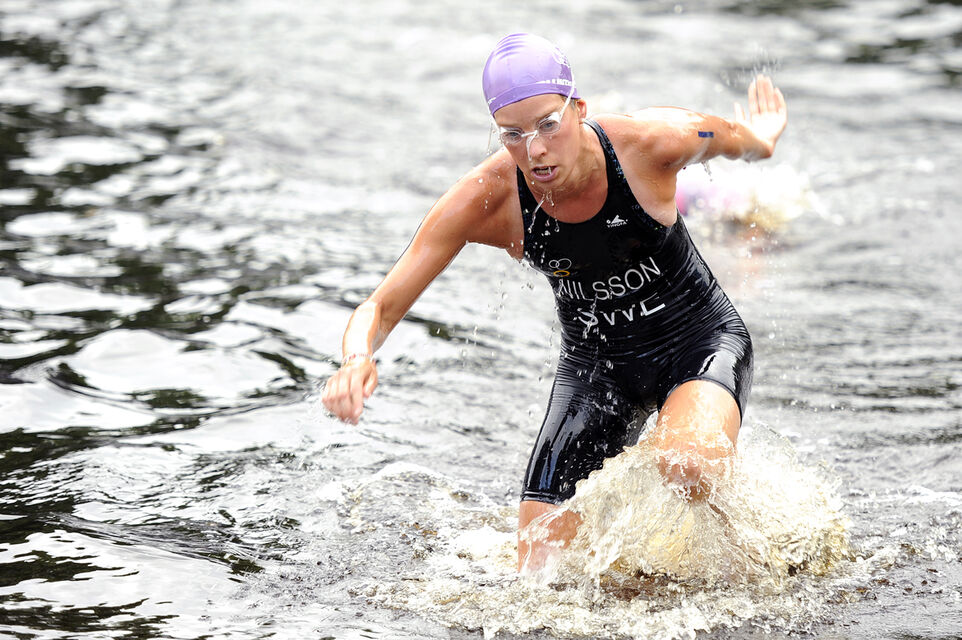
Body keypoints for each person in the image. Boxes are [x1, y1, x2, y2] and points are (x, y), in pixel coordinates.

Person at [323, 33, 787, 572]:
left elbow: (732, 137)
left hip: (698, 341)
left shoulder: (648, 143)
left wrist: (764, 138)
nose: (535, 150)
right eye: (512, 134)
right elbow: (380, 306)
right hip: (595, 368)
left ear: (578, 109)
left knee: (686, 464)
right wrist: (356, 359)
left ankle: (753, 548)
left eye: (548, 124)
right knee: (538, 571)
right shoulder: (489, 198)